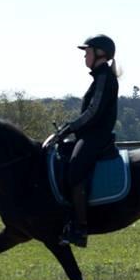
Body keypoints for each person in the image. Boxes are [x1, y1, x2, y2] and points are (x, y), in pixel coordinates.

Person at [45, 34, 120, 247]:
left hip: (96, 136)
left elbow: (93, 112)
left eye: (87, 52)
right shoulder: (99, 77)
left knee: (76, 169)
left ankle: (80, 227)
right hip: (88, 135)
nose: (84, 56)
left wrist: (65, 130)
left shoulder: (105, 77)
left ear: (100, 54)